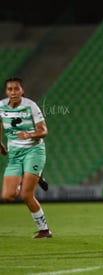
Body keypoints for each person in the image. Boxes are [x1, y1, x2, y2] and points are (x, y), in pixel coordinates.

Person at [0, 77, 52, 238]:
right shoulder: (1, 106)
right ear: (6, 91)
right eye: (10, 89)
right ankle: (32, 175)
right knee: (7, 196)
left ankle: (44, 230)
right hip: (15, 155)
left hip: (33, 151)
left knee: (26, 195)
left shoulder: (31, 107)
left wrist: (29, 134)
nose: (13, 92)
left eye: (16, 89)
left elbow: (43, 131)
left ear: (22, 91)